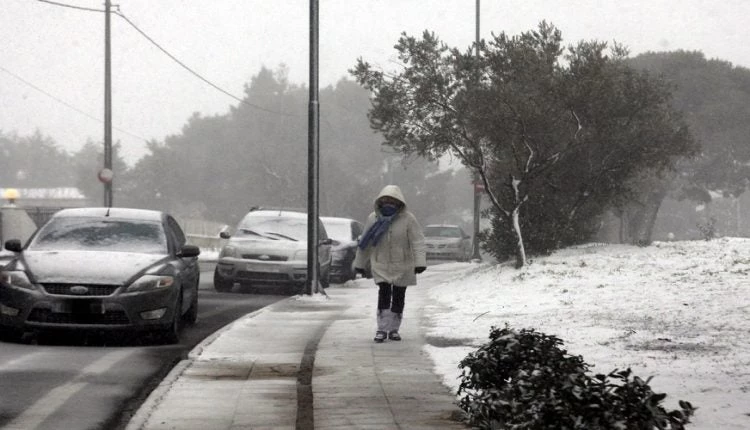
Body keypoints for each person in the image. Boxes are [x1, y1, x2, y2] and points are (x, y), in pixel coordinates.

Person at [354, 185, 426, 343]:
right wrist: (359, 263)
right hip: (381, 264)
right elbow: (365, 242)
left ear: (399, 202)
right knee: (384, 294)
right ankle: (382, 328)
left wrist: (420, 262)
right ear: (380, 201)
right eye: (385, 200)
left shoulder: (408, 219)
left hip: (403, 265)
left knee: (399, 296)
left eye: (392, 200)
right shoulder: (373, 218)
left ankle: (394, 329)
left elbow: (418, 241)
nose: (389, 203)